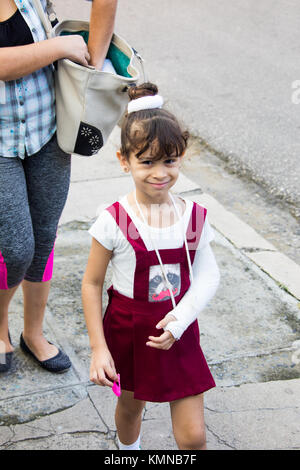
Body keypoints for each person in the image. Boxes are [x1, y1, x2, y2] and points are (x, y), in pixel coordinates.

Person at [82, 83, 220, 450]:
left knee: (194, 436)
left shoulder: (193, 217)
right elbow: (92, 284)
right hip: (129, 329)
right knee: (131, 409)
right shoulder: (114, 220)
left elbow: (209, 274)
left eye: (170, 160)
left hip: (180, 327)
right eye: (147, 161)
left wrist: (181, 317)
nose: (160, 172)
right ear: (124, 160)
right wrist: (99, 348)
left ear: (181, 157)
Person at [0, 0, 118, 373]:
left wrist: (94, 70)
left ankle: (33, 333)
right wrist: (61, 47)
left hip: (48, 131)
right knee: (16, 247)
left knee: (44, 236)